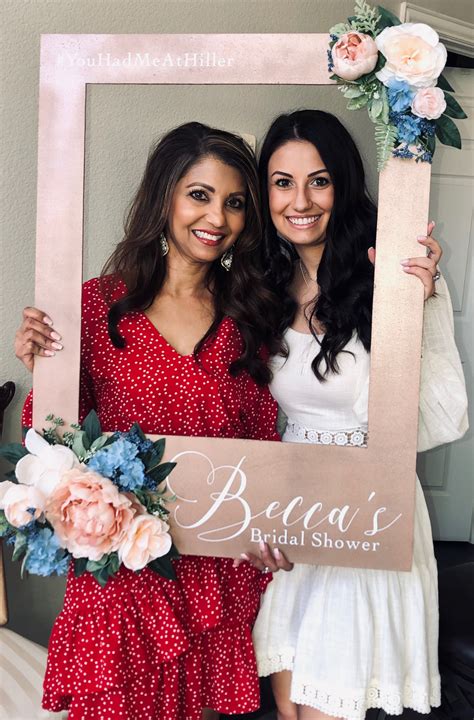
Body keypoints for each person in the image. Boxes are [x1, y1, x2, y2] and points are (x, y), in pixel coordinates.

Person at [15, 121, 287, 720]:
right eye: (199, 194)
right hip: (122, 569)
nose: (217, 216)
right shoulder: (93, 304)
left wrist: (275, 529)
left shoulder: (250, 317)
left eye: (235, 202)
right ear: (164, 197)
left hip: (214, 572)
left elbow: (264, 448)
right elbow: (46, 438)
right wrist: (41, 364)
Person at [247, 110, 468, 720]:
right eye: (282, 182)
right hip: (291, 517)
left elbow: (445, 413)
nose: (300, 201)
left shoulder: (394, 275)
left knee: (329, 707)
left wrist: (415, 311)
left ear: (344, 183)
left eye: (318, 181)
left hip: (366, 510)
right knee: (288, 709)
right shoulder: (260, 282)